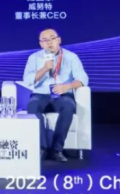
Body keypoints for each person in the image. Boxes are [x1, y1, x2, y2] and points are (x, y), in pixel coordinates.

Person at [22, 28, 89, 162]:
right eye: (45, 40)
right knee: (32, 106)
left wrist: (67, 86)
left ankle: (56, 150)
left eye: (52, 38)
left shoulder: (71, 57)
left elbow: (83, 79)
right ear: (40, 44)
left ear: (59, 40)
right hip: (41, 94)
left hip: (62, 94)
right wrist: (45, 68)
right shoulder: (34, 57)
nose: (49, 42)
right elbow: (28, 80)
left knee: (68, 106)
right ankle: (41, 148)